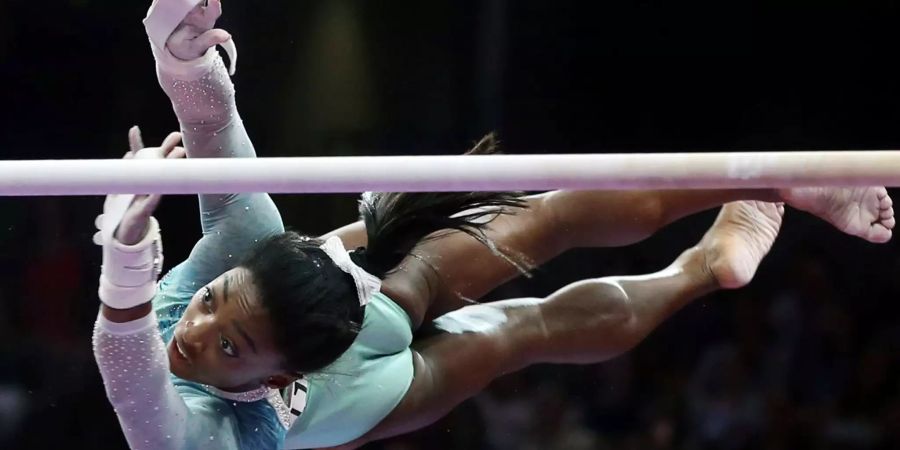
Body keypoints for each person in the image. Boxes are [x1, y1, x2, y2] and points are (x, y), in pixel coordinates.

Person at [92, 1, 896, 449]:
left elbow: (218, 158)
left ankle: (759, 192)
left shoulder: (246, 269)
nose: (193, 329)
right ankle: (711, 253)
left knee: (539, 245)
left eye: (210, 305)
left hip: (343, 306)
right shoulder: (199, 435)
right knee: (526, 322)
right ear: (270, 384)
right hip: (365, 389)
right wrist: (125, 258)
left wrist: (186, 63)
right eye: (227, 345)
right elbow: (131, 377)